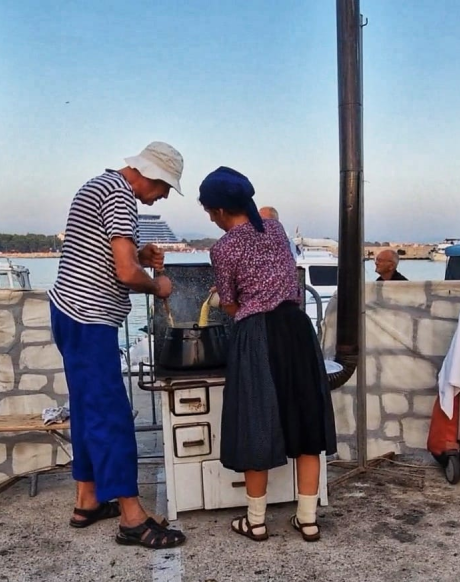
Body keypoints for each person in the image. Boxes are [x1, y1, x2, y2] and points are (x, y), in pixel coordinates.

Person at [50, 141, 187, 550]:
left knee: (89, 409)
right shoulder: (121, 196)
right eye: (165, 187)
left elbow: (108, 253)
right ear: (150, 175)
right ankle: (131, 517)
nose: (162, 196)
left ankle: (88, 501)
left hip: (68, 310)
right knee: (110, 414)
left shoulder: (99, 185)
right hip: (89, 316)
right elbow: (126, 273)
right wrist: (157, 283)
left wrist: (141, 252)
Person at [202, 167, 337, 542]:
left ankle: (256, 521)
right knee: (307, 419)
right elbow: (270, 228)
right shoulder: (274, 229)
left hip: (256, 335)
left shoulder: (223, 248)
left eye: (210, 212)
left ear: (220, 211)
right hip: (295, 328)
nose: (210, 219)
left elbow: (229, 306)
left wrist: (226, 296)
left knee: (255, 422)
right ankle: (307, 519)